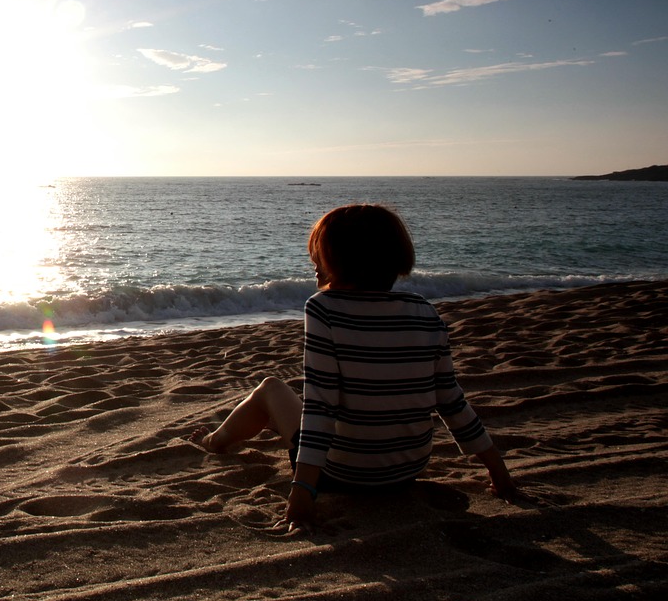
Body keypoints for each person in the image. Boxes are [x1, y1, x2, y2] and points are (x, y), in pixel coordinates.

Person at [190, 204, 518, 532]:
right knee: (305, 410)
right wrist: (499, 473)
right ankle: (251, 432)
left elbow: (322, 408)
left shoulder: (323, 309)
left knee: (271, 388)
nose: (313, 263)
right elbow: (451, 400)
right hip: (406, 471)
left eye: (320, 254)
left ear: (343, 260)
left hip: (342, 474)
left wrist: (302, 493)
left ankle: (215, 441)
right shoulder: (424, 312)